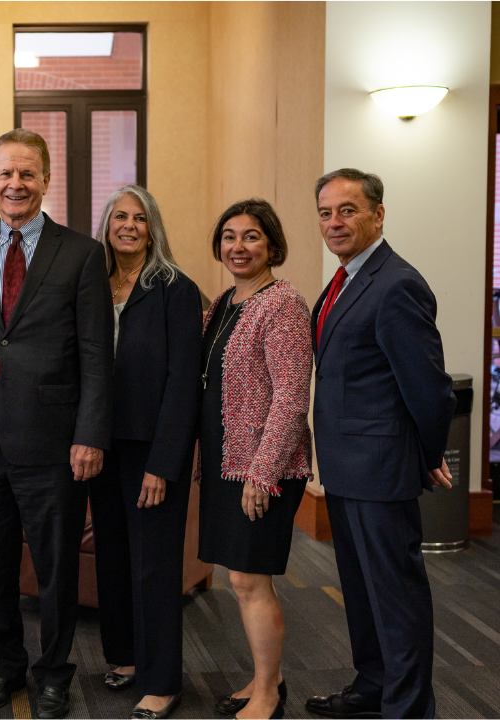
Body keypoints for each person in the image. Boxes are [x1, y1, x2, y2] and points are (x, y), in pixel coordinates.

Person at [0, 129, 113, 720]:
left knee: (55, 565)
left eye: (27, 174)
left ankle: (53, 672)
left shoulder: (81, 253)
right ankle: (6, 662)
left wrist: (91, 433)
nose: (15, 184)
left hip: (55, 441)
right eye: (4, 174)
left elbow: (96, 353)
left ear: (45, 179)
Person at [305, 170, 455, 720]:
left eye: (347, 210)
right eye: (325, 213)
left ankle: (409, 709)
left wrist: (427, 452)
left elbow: (430, 388)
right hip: (347, 468)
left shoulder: (397, 284)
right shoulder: (345, 279)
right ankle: (373, 687)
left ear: (378, 214)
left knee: (396, 599)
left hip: (381, 469)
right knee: (362, 592)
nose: (335, 223)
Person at [87, 185, 202, 720]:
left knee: (154, 564)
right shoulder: (92, 281)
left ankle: (162, 681)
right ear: (106, 224)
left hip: (151, 447)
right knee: (113, 555)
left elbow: (184, 382)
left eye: (139, 217)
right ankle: (127, 657)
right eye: (119, 216)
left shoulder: (174, 288)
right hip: (99, 442)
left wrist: (164, 461)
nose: (128, 225)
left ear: (152, 228)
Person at [195, 199, 313, 720]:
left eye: (251, 237)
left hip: (261, 469)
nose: (237, 247)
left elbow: (291, 394)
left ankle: (268, 695)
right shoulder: (223, 301)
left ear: (272, 245)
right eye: (229, 236)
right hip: (227, 462)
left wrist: (262, 474)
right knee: (240, 581)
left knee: (249, 580)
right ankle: (267, 677)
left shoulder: (283, 303)